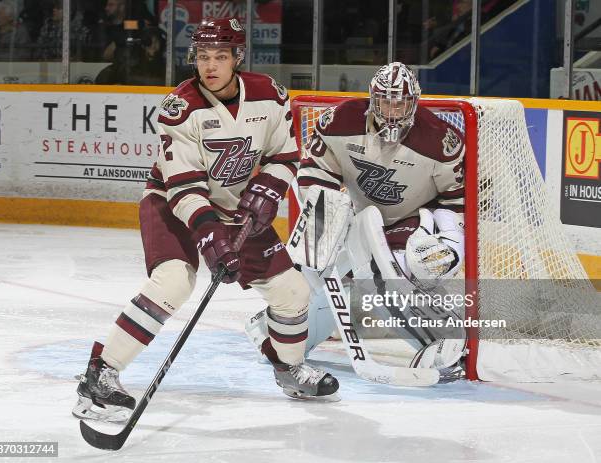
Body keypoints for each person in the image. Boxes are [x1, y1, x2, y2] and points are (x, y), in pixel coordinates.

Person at [73, 17, 339, 422]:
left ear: (237, 58)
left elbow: (285, 155)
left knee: (292, 292)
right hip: (173, 206)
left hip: (236, 209)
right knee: (175, 280)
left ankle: (289, 370)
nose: (209, 66)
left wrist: (269, 187)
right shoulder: (180, 109)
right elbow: (183, 186)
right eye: (201, 56)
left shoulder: (270, 95)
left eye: (219, 56)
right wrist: (211, 236)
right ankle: (101, 372)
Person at [246, 62, 467, 378]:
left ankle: (443, 338)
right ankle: (280, 332)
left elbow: (457, 199)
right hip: (358, 213)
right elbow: (315, 167)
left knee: (391, 275)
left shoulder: (440, 140)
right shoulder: (341, 119)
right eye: (386, 100)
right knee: (312, 261)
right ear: (372, 100)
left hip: (414, 219)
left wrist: (451, 239)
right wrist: (331, 208)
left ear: (414, 102)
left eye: (401, 101)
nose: (393, 109)